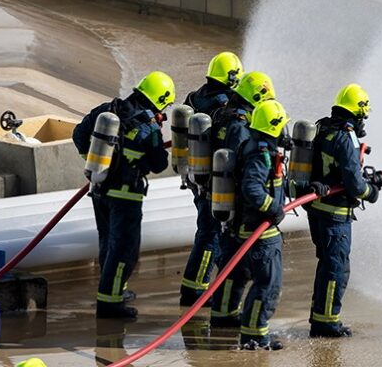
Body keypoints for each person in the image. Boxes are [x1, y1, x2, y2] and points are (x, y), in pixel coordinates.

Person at [73, 71, 174, 319]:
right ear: (160, 99)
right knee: (124, 251)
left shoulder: (108, 110)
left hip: (99, 190)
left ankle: (114, 290)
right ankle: (110, 303)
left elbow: (78, 134)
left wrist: (93, 162)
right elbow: (159, 164)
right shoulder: (148, 126)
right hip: (126, 197)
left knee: (108, 244)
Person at [209, 99, 290, 350]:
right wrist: (273, 209)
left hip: (243, 228)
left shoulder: (251, 145)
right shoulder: (261, 154)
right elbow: (252, 188)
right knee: (268, 283)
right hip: (260, 232)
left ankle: (223, 316)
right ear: (274, 126)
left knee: (235, 275)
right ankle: (255, 335)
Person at [306, 83, 382, 338]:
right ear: (356, 113)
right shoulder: (346, 137)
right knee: (336, 268)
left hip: (316, 211)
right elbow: (354, 184)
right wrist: (371, 192)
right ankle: (326, 323)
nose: (364, 122)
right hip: (335, 215)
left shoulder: (322, 128)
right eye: (363, 116)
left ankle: (320, 316)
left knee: (326, 264)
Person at [179, 52, 243, 306]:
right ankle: (195, 290)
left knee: (208, 231)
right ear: (232, 77)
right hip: (214, 180)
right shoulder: (224, 105)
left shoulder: (194, 97)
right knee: (211, 234)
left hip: (196, 176)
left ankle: (195, 286)